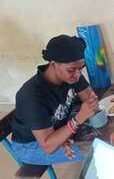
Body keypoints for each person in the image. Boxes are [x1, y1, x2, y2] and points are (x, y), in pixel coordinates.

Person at [11, 35, 99, 165]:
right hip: (31, 145)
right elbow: (48, 146)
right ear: (53, 64)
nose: (78, 75)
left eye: (81, 68)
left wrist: (91, 105)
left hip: (57, 126)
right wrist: (79, 119)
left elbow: (90, 100)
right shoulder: (32, 95)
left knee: (104, 131)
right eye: (72, 70)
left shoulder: (72, 74)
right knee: (95, 149)